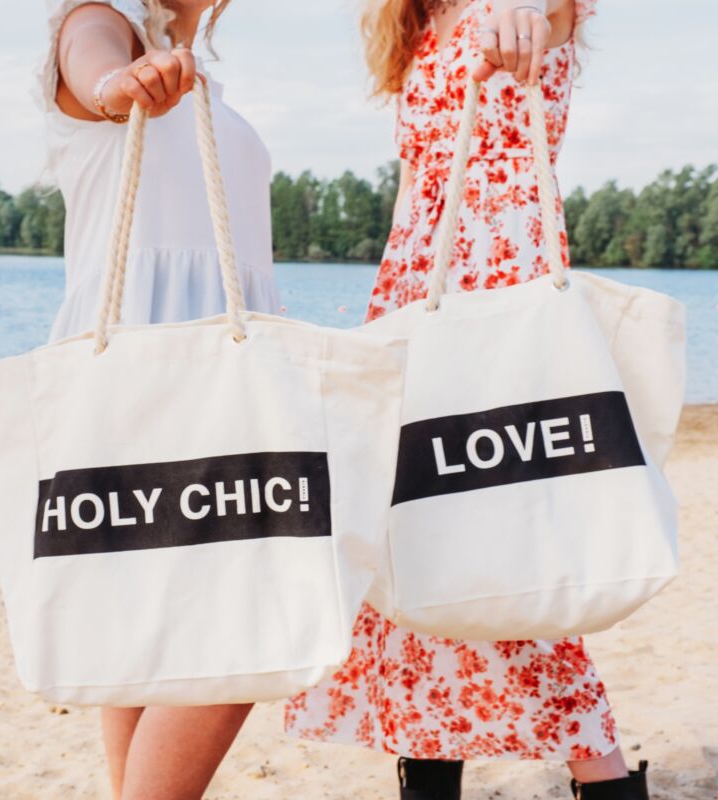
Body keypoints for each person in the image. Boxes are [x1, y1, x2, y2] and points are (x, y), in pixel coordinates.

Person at [285, 2, 651, 798]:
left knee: (508, 548)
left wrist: (522, 21)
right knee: (414, 549)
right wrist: (382, 326)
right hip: (417, 295)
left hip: (503, 288)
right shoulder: (417, 23)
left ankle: (606, 775)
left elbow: (544, 17)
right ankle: (437, 780)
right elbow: (416, 185)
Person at [35, 1, 278, 797]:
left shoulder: (193, 62)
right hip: (149, 362)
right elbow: (91, 67)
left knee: (143, 631)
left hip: (213, 364)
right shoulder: (102, 19)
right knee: (252, 629)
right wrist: (119, 81)